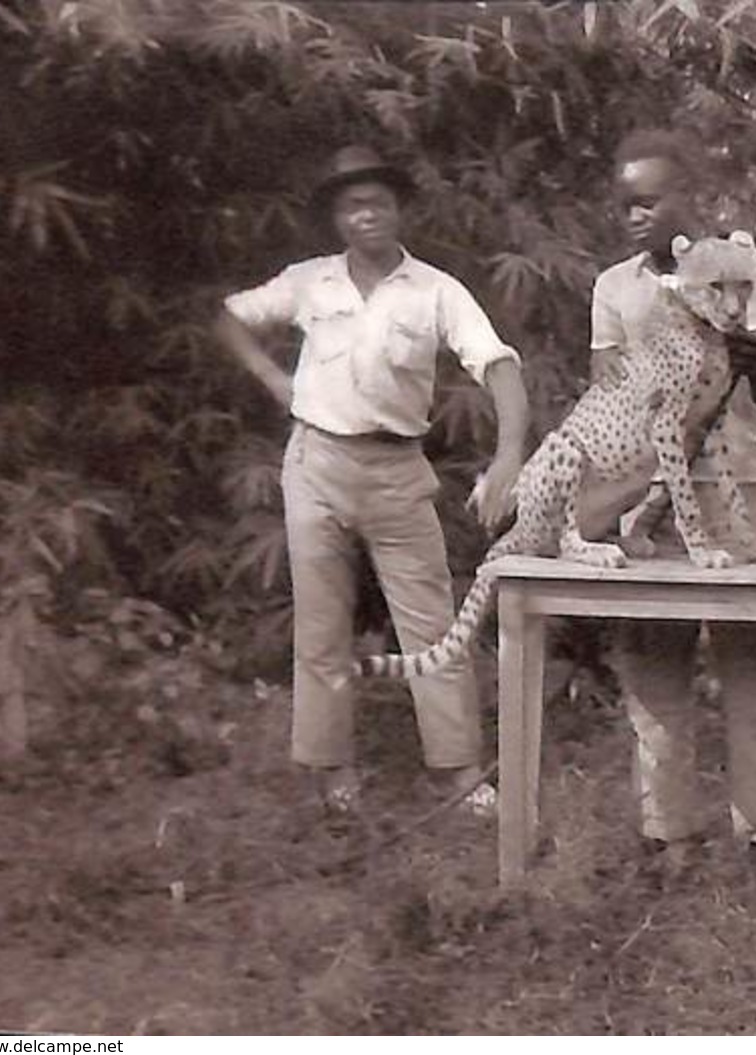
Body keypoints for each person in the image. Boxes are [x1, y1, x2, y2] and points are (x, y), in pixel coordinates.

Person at [215, 145, 529, 817]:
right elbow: (232, 317)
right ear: (336, 217)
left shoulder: (436, 289)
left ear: (399, 210)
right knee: (322, 626)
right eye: (352, 205)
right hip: (317, 465)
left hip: (396, 470)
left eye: (378, 202)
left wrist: (507, 456)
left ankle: (459, 773)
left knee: (433, 626)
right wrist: (274, 379)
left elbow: (497, 364)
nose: (367, 215)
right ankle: (334, 775)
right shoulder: (310, 282)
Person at [582, 129, 756, 855]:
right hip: (651, 496)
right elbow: (609, 396)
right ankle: (668, 837)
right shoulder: (613, 287)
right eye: (624, 204)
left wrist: (752, 361)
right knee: (653, 672)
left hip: (735, 490)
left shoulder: (747, 267)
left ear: (687, 199)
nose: (634, 215)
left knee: (750, 668)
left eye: (648, 200)